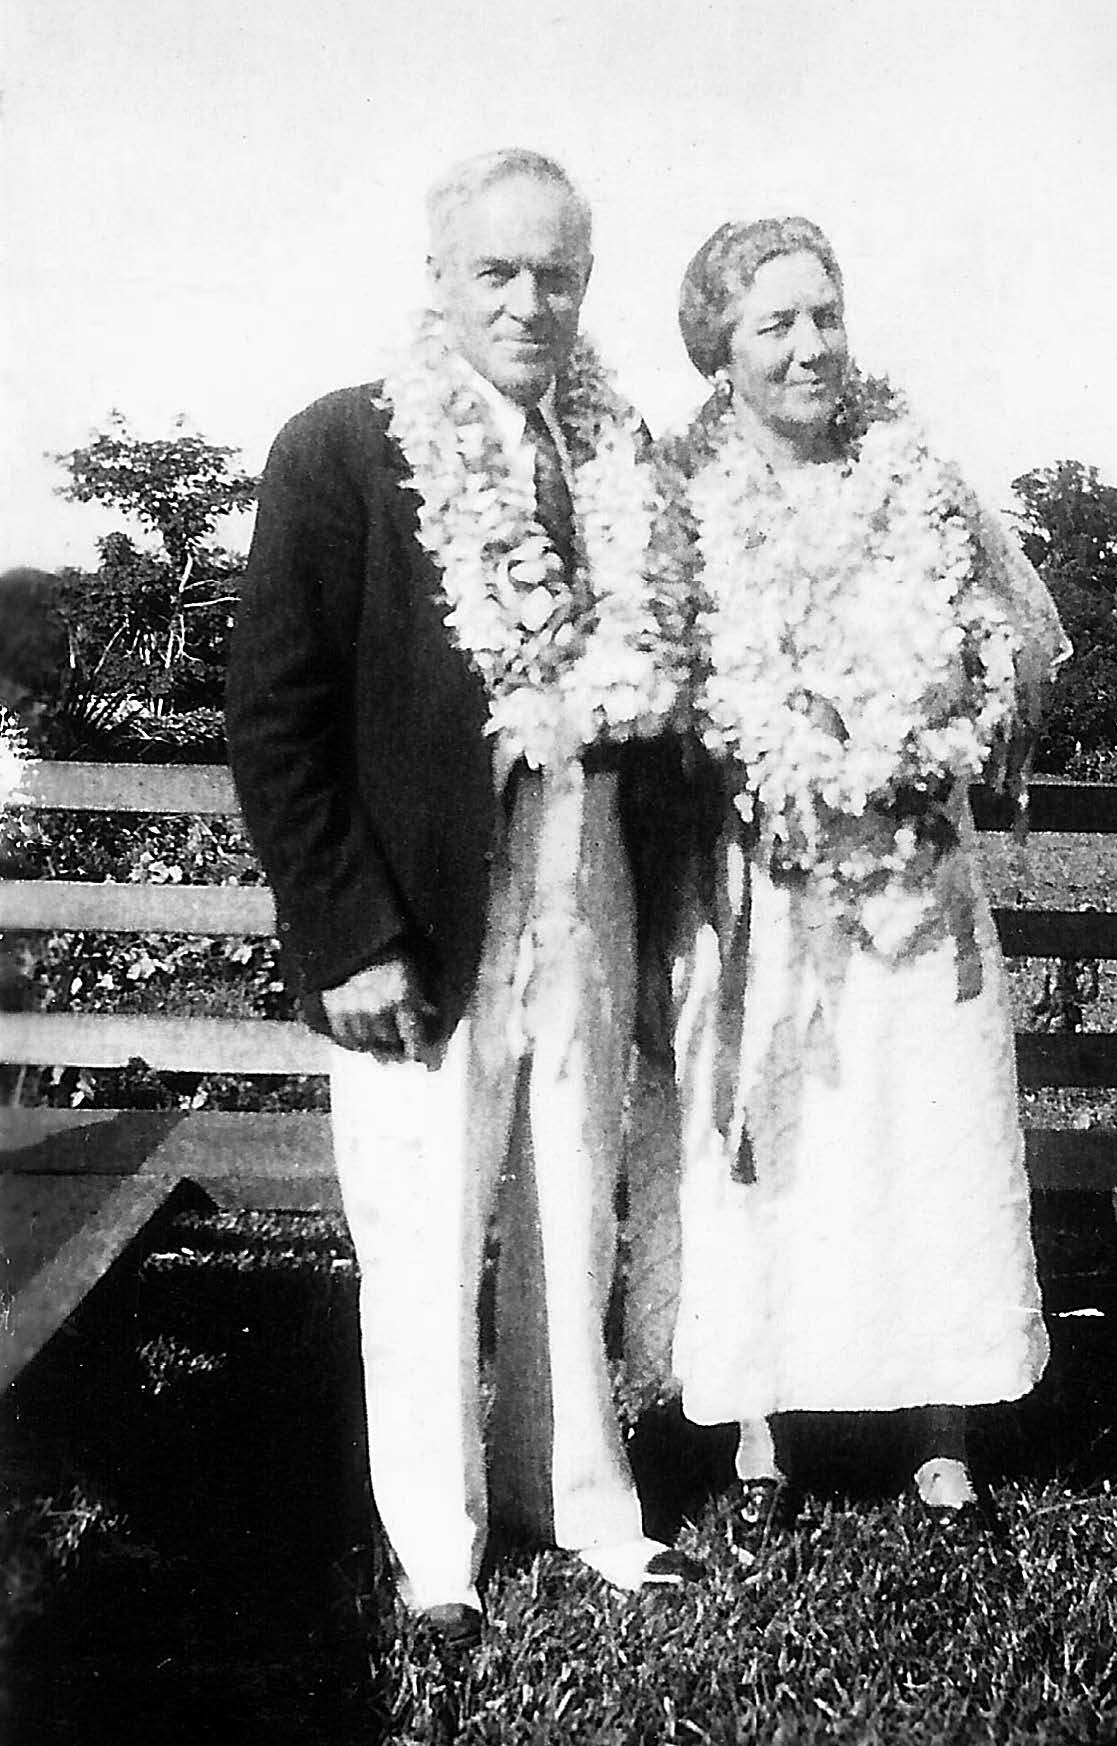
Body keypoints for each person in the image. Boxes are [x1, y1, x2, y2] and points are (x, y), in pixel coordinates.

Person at [225, 149, 701, 1660]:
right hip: (418, 923)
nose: (529, 300)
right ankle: (440, 1553)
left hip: (587, 893)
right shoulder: (341, 450)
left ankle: (586, 1502)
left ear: (587, 284)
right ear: (438, 279)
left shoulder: (627, 456)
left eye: (557, 272)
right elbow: (275, 721)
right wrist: (345, 931)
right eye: (495, 270)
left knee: (575, 1205)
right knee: (424, 1231)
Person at [659, 216, 1068, 1538]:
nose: (810, 345)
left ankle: (942, 1434)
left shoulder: (922, 480)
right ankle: (764, 1433)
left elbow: (1009, 658)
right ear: (718, 350)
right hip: (768, 876)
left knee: (924, 1125)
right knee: (784, 1139)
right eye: (773, 322)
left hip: (917, 873)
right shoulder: (680, 505)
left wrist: (942, 726)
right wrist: (759, 749)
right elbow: (666, 687)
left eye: (824, 314)